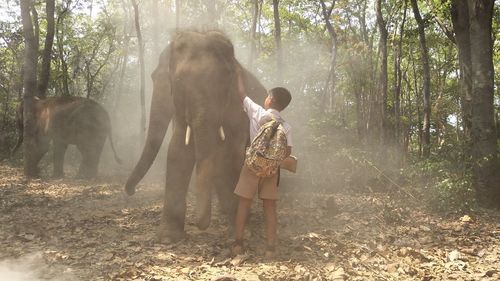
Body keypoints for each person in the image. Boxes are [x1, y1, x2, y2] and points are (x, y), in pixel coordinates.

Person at [232, 67, 293, 258]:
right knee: (270, 207)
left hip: (251, 166)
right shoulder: (286, 126)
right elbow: (288, 151)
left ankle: (238, 244)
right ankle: (270, 248)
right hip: (272, 171)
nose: (265, 98)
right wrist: (272, 161)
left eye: (267, 96)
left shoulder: (258, 112)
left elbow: (242, 95)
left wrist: (238, 75)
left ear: (271, 100)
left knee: (244, 204)